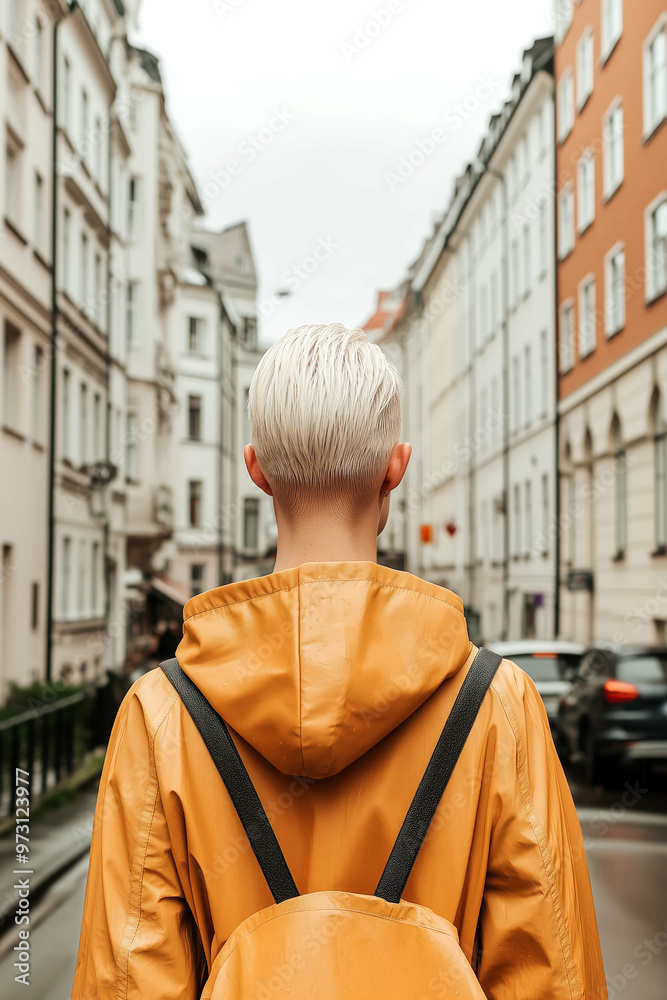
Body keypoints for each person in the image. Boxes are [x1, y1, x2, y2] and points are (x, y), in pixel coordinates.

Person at [71, 323, 607, 999]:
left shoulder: (159, 717)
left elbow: (126, 984)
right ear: (395, 468)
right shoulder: (499, 705)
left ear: (256, 470)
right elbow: (553, 977)